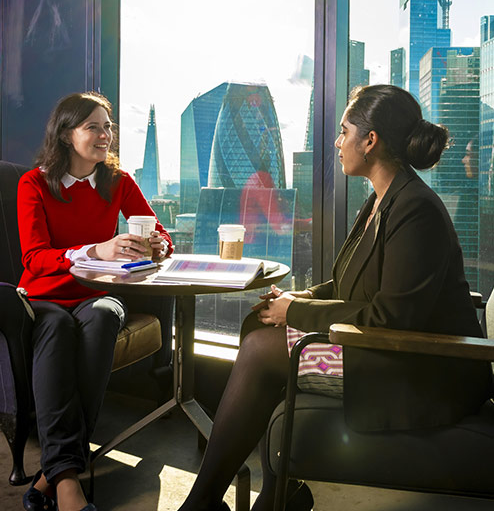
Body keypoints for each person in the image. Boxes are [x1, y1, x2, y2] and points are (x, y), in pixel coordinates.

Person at [177, 84, 493, 511]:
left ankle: (205, 502)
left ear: (371, 140)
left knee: (261, 347)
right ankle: (276, 492)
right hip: (388, 350)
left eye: (344, 131)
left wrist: (297, 311)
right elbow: (350, 286)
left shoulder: (416, 210)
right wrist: (299, 297)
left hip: (423, 369)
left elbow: (390, 315)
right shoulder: (381, 200)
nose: (338, 142)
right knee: (259, 322)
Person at [18, 92, 173, 511]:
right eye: (94, 126)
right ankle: (68, 485)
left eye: (108, 126)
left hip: (95, 295)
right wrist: (95, 250)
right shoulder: (33, 183)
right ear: (67, 134)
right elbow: (34, 258)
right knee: (55, 326)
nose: (105, 135)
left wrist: (157, 245)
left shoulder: (118, 182)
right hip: (44, 295)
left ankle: (53, 471)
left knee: (105, 316)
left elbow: (161, 233)